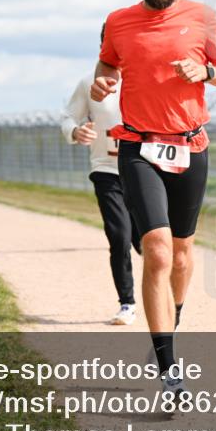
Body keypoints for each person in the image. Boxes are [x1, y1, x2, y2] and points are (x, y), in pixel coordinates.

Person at [92, 0, 216, 398]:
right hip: (139, 147)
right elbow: (106, 67)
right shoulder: (118, 22)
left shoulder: (203, 19)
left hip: (190, 146)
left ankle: (170, 320)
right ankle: (168, 368)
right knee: (155, 250)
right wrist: (102, 84)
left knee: (180, 254)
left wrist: (209, 72)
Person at [63, 24, 143, 326]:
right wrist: (75, 130)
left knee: (148, 241)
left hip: (143, 169)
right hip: (106, 170)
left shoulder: (145, 80)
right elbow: (69, 116)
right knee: (119, 236)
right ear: (104, 48)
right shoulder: (89, 83)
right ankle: (127, 303)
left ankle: (160, 296)